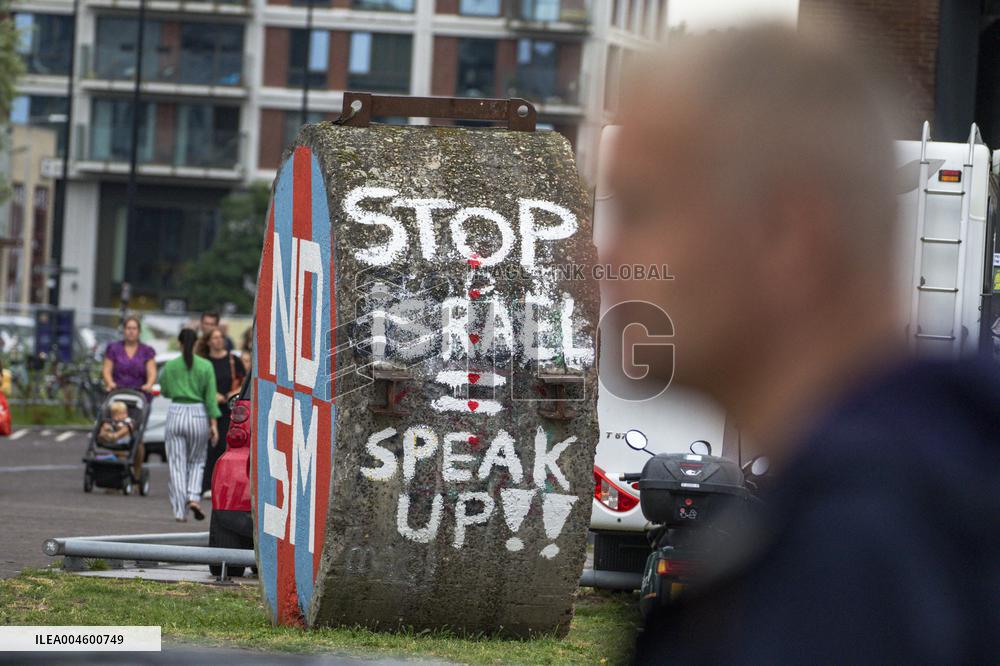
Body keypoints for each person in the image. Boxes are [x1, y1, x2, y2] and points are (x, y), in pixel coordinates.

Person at [607, 25, 1000, 664]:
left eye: (641, 209)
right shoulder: (938, 499)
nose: (605, 254)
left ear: (786, 234)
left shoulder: (858, 569)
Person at [158, 328, 220, 522]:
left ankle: (179, 510)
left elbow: (165, 391)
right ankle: (194, 497)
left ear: (179, 343)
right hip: (198, 414)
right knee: (198, 460)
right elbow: (211, 398)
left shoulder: (170, 366)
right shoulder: (206, 366)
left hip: (176, 412)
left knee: (177, 464)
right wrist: (214, 424)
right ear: (195, 344)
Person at [101, 315, 155, 480]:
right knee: (115, 430)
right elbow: (107, 369)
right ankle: (119, 469)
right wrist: (110, 382)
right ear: (124, 331)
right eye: (128, 328)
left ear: (138, 331)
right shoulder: (114, 349)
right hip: (118, 395)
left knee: (136, 436)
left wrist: (149, 384)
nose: (131, 332)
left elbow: (152, 372)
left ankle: (136, 472)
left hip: (138, 397)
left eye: (134, 329)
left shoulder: (146, 351)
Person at [196, 326, 246, 498]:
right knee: (209, 447)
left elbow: (244, 381)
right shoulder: (204, 362)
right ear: (208, 341)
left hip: (228, 408)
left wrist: (232, 393)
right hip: (209, 406)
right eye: (215, 338)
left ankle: (223, 485)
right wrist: (211, 394)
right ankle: (205, 485)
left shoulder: (233, 360)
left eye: (221, 337)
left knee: (224, 447)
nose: (219, 341)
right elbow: (199, 384)